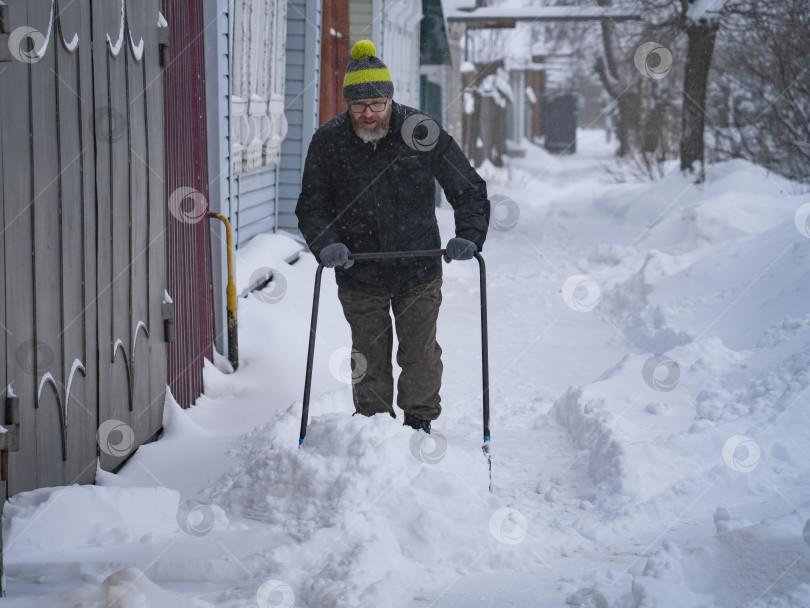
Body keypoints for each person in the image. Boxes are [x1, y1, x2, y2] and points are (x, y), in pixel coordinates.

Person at [295, 40, 489, 434]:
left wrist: (469, 234)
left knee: (419, 352)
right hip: (359, 269)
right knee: (368, 356)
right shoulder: (329, 141)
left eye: (377, 104)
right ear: (347, 104)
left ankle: (419, 426)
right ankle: (373, 433)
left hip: (418, 266)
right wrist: (326, 243)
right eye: (358, 106)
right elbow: (312, 206)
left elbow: (467, 186)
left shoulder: (420, 130)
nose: (368, 114)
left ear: (390, 99)